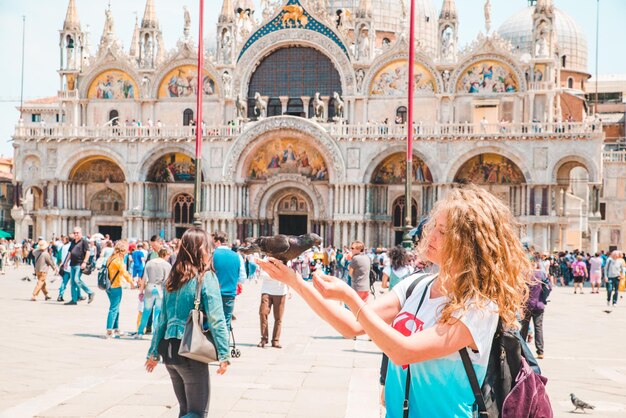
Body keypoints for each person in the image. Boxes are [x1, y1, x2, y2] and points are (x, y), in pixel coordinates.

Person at [258, 186, 532, 417]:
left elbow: (404, 351)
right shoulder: (418, 286)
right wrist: (295, 282)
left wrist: (352, 298)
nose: (431, 236)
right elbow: (350, 327)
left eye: (444, 232)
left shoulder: (478, 307)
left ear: (470, 244)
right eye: (434, 227)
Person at [145, 228, 230, 418]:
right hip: (190, 351)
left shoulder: (172, 278)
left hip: (169, 351)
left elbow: (162, 321)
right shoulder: (205, 277)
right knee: (198, 413)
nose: (211, 251)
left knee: (186, 411)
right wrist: (224, 353)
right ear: (200, 249)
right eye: (209, 247)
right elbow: (217, 319)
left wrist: (153, 353)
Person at [212, 231, 246, 331]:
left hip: (214, 293)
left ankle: (214, 345)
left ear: (218, 242)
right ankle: (224, 345)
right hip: (230, 293)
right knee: (226, 322)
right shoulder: (237, 256)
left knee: (213, 322)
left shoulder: (212, 255)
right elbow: (242, 277)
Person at [136, 248, 172, 338]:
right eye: (168, 255)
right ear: (165, 254)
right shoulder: (167, 265)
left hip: (149, 288)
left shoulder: (149, 263)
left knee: (146, 311)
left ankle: (140, 332)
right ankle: (155, 333)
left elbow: (144, 278)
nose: (169, 257)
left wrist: (141, 291)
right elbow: (168, 280)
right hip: (160, 289)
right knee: (158, 313)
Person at [105, 241, 136, 338]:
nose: (127, 252)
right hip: (115, 286)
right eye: (125, 250)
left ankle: (116, 329)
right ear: (122, 250)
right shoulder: (118, 260)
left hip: (108, 286)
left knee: (116, 307)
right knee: (113, 308)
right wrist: (131, 282)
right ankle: (109, 330)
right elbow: (124, 272)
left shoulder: (110, 258)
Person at [257, 264, 289, 348]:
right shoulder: (267, 261)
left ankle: (275, 340)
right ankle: (264, 338)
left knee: (278, 318)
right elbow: (262, 275)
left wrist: (289, 290)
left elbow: (287, 276)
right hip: (266, 290)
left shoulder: (285, 261)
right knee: (263, 313)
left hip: (280, 292)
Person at [520, 261, 548, 359]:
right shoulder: (541, 274)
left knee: (523, 328)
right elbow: (548, 287)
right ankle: (540, 351)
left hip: (526, 305)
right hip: (538, 304)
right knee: (538, 328)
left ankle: (521, 350)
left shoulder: (523, 274)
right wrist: (543, 298)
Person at [65, 227, 95, 305]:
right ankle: (74, 300)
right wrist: (66, 262)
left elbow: (88, 252)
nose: (75, 234)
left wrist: (84, 262)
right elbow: (70, 253)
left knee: (76, 279)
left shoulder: (84, 241)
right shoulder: (73, 242)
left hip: (79, 264)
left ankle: (90, 292)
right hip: (72, 264)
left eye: (77, 233)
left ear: (81, 233)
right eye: (74, 233)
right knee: (73, 282)